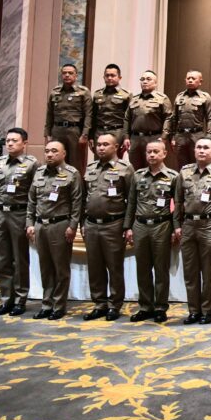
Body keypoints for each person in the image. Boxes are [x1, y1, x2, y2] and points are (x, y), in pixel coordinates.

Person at [173, 137, 211, 324]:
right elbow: (178, 201)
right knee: (190, 271)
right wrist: (177, 225)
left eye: (206, 148)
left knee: (208, 271)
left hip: (209, 225)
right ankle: (193, 310)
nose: (202, 151)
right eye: (198, 147)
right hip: (188, 225)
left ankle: (207, 311)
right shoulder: (184, 171)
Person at [26, 140, 84, 320]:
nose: (49, 154)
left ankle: (59, 305)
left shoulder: (72, 174)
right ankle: (46, 304)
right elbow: (31, 201)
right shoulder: (39, 172)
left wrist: (73, 226)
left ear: (64, 153)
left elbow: (77, 203)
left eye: (54, 151)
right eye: (47, 151)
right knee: (45, 268)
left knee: (60, 268)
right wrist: (29, 223)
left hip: (60, 225)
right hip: (40, 225)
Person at [80, 133, 135, 321]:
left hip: (114, 224)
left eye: (106, 144)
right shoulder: (90, 168)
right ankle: (99, 304)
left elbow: (131, 200)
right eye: (99, 145)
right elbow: (83, 198)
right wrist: (82, 223)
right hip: (91, 224)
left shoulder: (125, 168)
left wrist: (128, 226)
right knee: (95, 267)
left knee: (114, 267)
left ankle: (114, 305)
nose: (101, 148)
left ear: (116, 147)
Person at [0, 127, 38, 316]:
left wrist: (31, 221)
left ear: (24, 143)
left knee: (20, 259)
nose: (9, 144)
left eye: (14, 140)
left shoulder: (32, 164)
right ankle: (6, 299)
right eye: (8, 140)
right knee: (2, 260)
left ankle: (20, 300)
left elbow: (35, 195)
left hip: (20, 214)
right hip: (0, 214)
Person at [125, 139, 179, 323]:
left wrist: (175, 228)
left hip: (162, 225)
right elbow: (131, 203)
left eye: (156, 151)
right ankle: (145, 307)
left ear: (164, 154)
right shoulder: (138, 175)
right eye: (149, 152)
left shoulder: (172, 176)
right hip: (140, 225)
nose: (152, 155)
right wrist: (128, 227)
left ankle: (160, 307)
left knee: (161, 268)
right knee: (143, 268)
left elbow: (178, 206)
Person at [44, 63, 92, 170]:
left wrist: (85, 134)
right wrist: (47, 134)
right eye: (64, 73)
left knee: (76, 161)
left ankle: (76, 181)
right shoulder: (55, 92)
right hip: (57, 130)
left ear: (76, 76)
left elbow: (88, 114)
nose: (67, 75)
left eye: (70, 73)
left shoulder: (83, 92)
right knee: (55, 159)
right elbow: (49, 114)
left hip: (75, 131)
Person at [125, 70, 173, 170]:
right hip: (135, 139)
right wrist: (126, 137)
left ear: (155, 83)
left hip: (153, 138)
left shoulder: (162, 98)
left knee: (152, 168)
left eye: (148, 79)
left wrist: (164, 137)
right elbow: (127, 119)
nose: (145, 81)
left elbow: (168, 118)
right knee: (134, 169)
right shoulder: (134, 99)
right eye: (142, 79)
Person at [171, 70, 211, 168]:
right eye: (188, 78)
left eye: (193, 78)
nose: (190, 80)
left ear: (200, 81)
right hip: (181, 136)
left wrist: (209, 137)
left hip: (197, 135)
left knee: (198, 165)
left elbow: (210, 118)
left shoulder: (205, 97)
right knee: (181, 166)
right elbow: (174, 118)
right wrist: (173, 136)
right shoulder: (179, 96)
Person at [91, 63, 130, 154]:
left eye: (113, 75)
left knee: (115, 160)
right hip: (99, 131)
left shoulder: (126, 95)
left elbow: (129, 118)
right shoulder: (97, 94)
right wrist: (91, 136)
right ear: (103, 77)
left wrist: (126, 137)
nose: (109, 78)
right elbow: (93, 116)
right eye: (107, 75)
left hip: (117, 132)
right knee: (99, 158)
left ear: (119, 77)